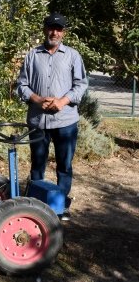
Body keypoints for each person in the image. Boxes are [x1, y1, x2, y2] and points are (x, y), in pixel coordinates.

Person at [17, 12, 88, 221]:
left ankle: (61, 205)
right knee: (37, 163)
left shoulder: (73, 56)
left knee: (64, 165)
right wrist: (38, 99)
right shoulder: (32, 55)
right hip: (38, 120)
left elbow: (81, 85)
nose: (54, 32)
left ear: (63, 33)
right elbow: (22, 85)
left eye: (58, 29)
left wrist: (62, 101)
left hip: (65, 121)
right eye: (50, 28)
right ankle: (36, 204)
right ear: (44, 29)